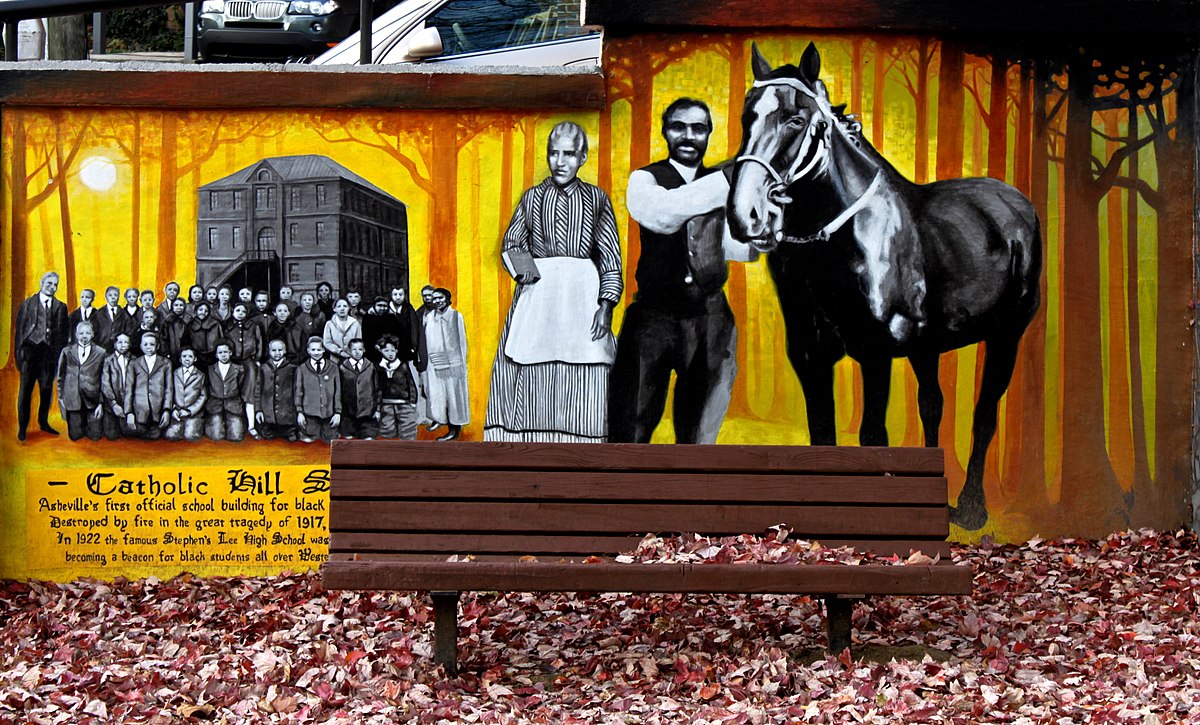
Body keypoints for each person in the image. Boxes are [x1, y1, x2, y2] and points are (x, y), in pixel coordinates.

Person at [608, 97, 756, 444]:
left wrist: (763, 225)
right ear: (665, 133)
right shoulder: (646, 180)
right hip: (653, 320)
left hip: (710, 320)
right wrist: (735, 174)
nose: (688, 136)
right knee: (630, 426)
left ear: (708, 134)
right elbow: (665, 214)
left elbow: (741, 248)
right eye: (679, 127)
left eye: (698, 129)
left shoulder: (727, 181)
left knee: (698, 435)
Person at [484, 121, 622, 443]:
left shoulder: (597, 199)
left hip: (582, 298)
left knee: (586, 366)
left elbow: (610, 256)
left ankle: (581, 440)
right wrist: (528, 273)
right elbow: (512, 242)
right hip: (540, 299)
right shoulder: (533, 198)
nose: (560, 162)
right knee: (529, 364)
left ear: (583, 157)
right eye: (553, 153)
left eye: (569, 154)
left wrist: (606, 305)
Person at [15, 271, 69, 441]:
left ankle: (43, 421)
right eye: (49, 284)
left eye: (55, 285)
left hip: (49, 354)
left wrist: (57, 356)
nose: (52, 288)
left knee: (46, 389)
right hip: (30, 352)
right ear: (42, 283)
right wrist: (19, 354)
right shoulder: (28, 304)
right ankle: (22, 428)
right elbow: (20, 331)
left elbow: (63, 334)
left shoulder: (61, 307)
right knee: (25, 390)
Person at [422, 287, 469, 441]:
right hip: (435, 363)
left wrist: (461, 364)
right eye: (434, 298)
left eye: (440, 298)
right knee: (437, 396)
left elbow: (461, 341)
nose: (437, 301)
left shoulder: (456, 316)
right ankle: (440, 420)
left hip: (452, 364)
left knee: (453, 397)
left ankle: (454, 429)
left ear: (447, 298)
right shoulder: (429, 317)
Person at [56, 320, 105, 441]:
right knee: (75, 436)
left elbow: (104, 379)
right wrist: (61, 397)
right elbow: (60, 377)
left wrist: (101, 403)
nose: (84, 336)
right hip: (73, 399)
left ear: (92, 334)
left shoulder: (100, 352)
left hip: (92, 399)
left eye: (87, 333)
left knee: (95, 436)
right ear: (76, 335)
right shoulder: (67, 352)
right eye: (81, 333)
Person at [124, 332, 173, 440]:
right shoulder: (134, 363)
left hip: (158, 411)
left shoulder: (166, 363)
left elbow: (168, 389)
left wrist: (167, 410)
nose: (148, 347)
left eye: (151, 344)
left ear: (157, 346)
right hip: (139, 411)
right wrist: (129, 412)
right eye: (145, 345)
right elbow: (129, 389)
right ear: (141, 346)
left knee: (156, 437)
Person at [295, 336, 341, 443]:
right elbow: (298, 392)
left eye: (319, 349)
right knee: (309, 440)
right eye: (313, 350)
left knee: (330, 440)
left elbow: (337, 392)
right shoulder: (302, 368)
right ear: (308, 351)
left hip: (328, 414)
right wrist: (300, 412)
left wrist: (337, 412)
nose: (316, 353)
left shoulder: (333, 368)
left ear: (324, 350)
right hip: (310, 414)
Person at [204, 340, 252, 441]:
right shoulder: (210, 369)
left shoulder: (239, 369)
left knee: (236, 436)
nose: (223, 355)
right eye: (220, 353)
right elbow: (207, 387)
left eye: (225, 352)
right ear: (216, 355)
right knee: (216, 436)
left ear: (230, 353)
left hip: (233, 405)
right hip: (215, 405)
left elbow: (241, 386)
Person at [376, 334, 419, 440]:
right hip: (386, 405)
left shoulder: (403, 366)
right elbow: (377, 388)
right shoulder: (379, 368)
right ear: (381, 351)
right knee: (387, 431)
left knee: (408, 430)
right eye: (386, 351)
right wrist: (377, 407)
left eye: (392, 350)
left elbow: (411, 385)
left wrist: (413, 401)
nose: (390, 354)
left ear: (396, 350)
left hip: (404, 404)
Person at [256, 339, 299, 441]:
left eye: (280, 350)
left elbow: (297, 390)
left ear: (285, 351)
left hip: (287, 414)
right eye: (274, 350)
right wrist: (258, 410)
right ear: (269, 351)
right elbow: (257, 390)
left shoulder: (292, 368)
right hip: (268, 414)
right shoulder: (263, 368)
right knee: (267, 436)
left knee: (291, 437)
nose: (277, 353)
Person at [338, 338, 380, 439]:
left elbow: (377, 389)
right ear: (348, 351)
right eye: (354, 350)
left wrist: (377, 409)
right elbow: (338, 391)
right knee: (348, 439)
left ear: (364, 350)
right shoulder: (342, 367)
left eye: (360, 349)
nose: (357, 352)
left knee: (368, 439)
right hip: (348, 413)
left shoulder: (370, 367)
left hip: (367, 413)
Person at [164, 347, 207, 442]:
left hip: (192, 413)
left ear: (195, 359)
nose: (187, 359)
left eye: (190, 356)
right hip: (177, 412)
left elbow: (203, 396)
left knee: (191, 436)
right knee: (171, 435)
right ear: (180, 359)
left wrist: (190, 411)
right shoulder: (174, 373)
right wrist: (174, 409)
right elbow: (170, 392)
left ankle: (194, 425)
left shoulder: (200, 375)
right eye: (184, 356)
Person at [100, 332, 134, 440]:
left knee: (130, 434)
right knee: (111, 435)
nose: (123, 345)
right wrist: (113, 404)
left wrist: (130, 409)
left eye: (126, 342)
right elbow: (105, 384)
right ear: (115, 344)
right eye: (120, 342)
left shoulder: (135, 360)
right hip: (112, 405)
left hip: (128, 405)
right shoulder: (108, 361)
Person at [322, 298, 362, 365]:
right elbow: (327, 342)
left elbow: (358, 341)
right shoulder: (329, 324)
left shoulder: (355, 323)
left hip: (352, 358)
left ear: (349, 308)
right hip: (334, 360)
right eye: (339, 306)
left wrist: (351, 353)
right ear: (334, 309)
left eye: (345, 306)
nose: (342, 309)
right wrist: (339, 351)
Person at [186, 301, 222, 368]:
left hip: (213, 357)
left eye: (206, 311)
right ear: (196, 311)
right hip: (196, 357)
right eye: (200, 310)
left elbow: (221, 340)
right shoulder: (190, 325)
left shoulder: (215, 324)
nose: (203, 312)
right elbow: (186, 342)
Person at [95, 285, 127, 351]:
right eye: (110, 295)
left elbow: (128, 330)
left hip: (118, 348)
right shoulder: (99, 313)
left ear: (119, 297)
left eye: (115, 295)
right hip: (102, 347)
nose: (113, 297)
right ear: (106, 297)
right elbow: (94, 332)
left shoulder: (123, 313)